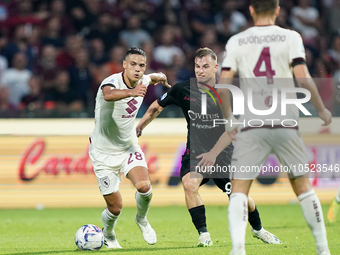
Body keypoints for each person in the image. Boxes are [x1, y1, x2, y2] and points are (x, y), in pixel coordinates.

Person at [136, 47, 281, 247]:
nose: (200, 71)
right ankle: (204, 235)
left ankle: (259, 230)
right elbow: (156, 106)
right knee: (189, 185)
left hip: (223, 155)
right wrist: (140, 126)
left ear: (215, 67)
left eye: (205, 66)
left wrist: (213, 154)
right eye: (197, 66)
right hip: (194, 153)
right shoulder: (182, 89)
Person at [218, 1, 332, 254]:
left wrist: (228, 118)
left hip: (252, 123)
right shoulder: (291, 37)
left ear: (251, 10)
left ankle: (238, 249)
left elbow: (223, 82)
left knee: (239, 188)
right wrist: (321, 108)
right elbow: (302, 77)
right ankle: (323, 250)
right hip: (285, 121)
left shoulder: (237, 40)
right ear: (278, 10)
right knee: (302, 186)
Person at [89, 47, 170, 249]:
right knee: (115, 208)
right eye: (133, 64)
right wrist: (131, 92)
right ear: (124, 64)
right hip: (102, 153)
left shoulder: (144, 79)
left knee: (145, 188)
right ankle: (108, 234)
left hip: (128, 147)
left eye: (141, 65)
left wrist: (161, 77)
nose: (137, 69)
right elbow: (108, 95)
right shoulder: (110, 82)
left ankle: (141, 219)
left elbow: (153, 77)